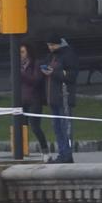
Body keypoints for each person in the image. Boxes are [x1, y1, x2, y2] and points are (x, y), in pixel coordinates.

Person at [42, 32, 79, 164]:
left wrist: (55, 73)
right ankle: (62, 153)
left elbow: (72, 76)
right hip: (53, 98)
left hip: (64, 97)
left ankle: (67, 155)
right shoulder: (52, 56)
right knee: (57, 128)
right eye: (48, 45)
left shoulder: (68, 55)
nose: (50, 47)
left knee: (65, 128)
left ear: (58, 43)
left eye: (52, 45)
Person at [17, 42, 51, 157]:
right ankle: (22, 151)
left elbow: (36, 80)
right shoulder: (18, 65)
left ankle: (45, 150)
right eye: (19, 52)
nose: (20, 55)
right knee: (21, 127)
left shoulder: (36, 64)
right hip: (22, 100)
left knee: (35, 127)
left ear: (28, 52)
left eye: (22, 52)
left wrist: (22, 75)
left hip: (34, 100)